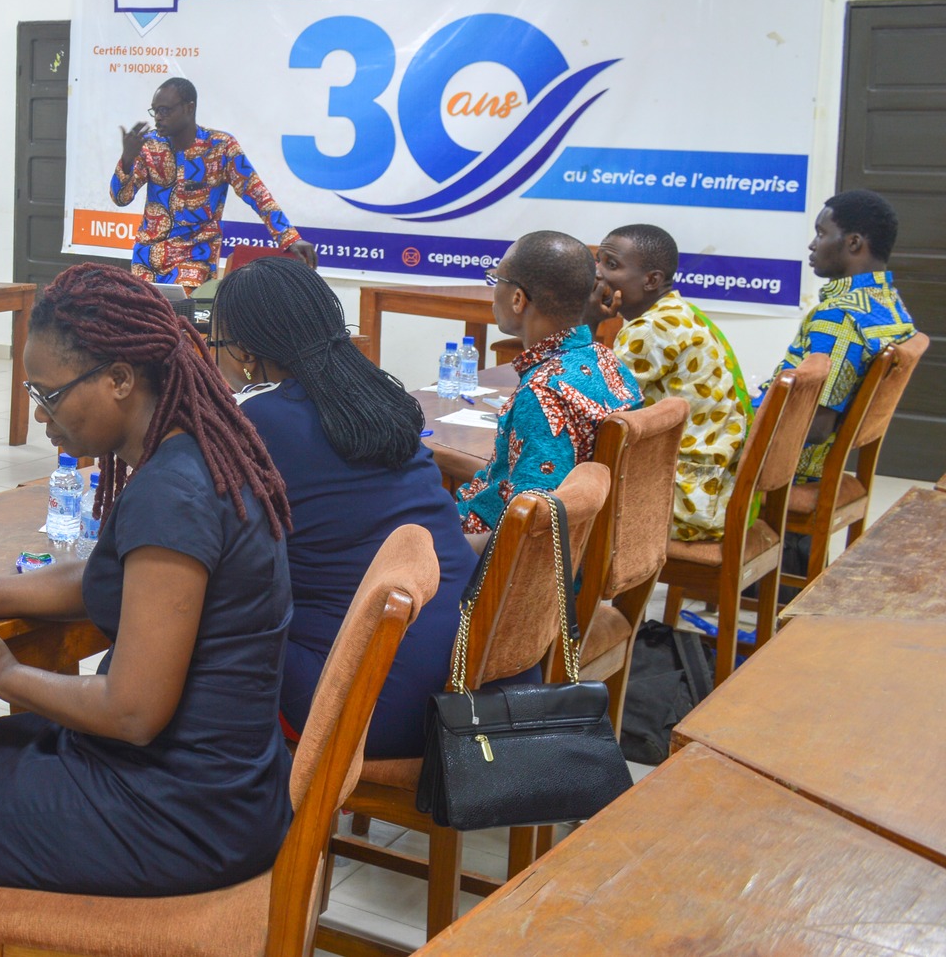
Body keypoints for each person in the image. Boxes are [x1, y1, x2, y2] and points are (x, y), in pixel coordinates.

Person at [0, 265, 295, 951]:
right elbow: (103, 578)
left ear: (120, 378)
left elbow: (133, 712)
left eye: (49, 395)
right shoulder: (192, 455)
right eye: (32, 392)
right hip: (226, 786)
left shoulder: (175, 494)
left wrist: (4, 673)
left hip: (180, 815)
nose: (41, 415)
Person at [210, 255, 479, 758]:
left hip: (360, 704)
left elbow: (213, 544)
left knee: (198, 640)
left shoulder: (255, 419)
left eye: (216, 341)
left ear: (244, 350)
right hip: (458, 679)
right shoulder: (382, 395)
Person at [455, 231, 640, 541]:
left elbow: (531, 528)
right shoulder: (609, 362)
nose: (493, 291)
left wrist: (449, 550)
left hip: (507, 564)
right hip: (591, 544)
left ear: (518, 299)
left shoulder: (542, 394)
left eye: (496, 280)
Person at [587, 224, 753, 542]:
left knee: (556, 504)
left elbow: (588, 404)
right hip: (713, 490)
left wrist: (589, 321)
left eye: (611, 265)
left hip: (684, 502)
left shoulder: (650, 330)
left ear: (652, 280)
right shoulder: (679, 313)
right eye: (598, 261)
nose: (597, 274)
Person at [762, 189, 915, 486]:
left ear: (853, 242)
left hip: (790, 470)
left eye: (821, 233)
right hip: (821, 461)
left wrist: (744, 426)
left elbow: (816, 428)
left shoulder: (840, 316)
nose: (812, 244)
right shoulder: (888, 303)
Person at [111, 76, 316, 288]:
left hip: (193, 260)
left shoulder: (221, 147)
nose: (158, 118)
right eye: (155, 111)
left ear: (189, 108)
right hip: (147, 259)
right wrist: (127, 159)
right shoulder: (149, 146)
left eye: (165, 110)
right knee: (140, 317)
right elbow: (121, 198)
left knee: (181, 314)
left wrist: (290, 238)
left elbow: (258, 194)